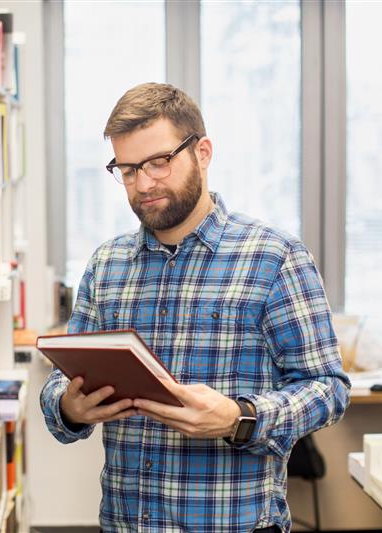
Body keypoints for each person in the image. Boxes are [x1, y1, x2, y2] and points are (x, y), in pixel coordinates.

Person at [40, 83, 350, 533]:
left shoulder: (274, 257)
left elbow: (328, 389)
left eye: (158, 162)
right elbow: (59, 386)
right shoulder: (106, 265)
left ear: (202, 152)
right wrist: (69, 407)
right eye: (127, 169)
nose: (143, 184)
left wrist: (240, 418)